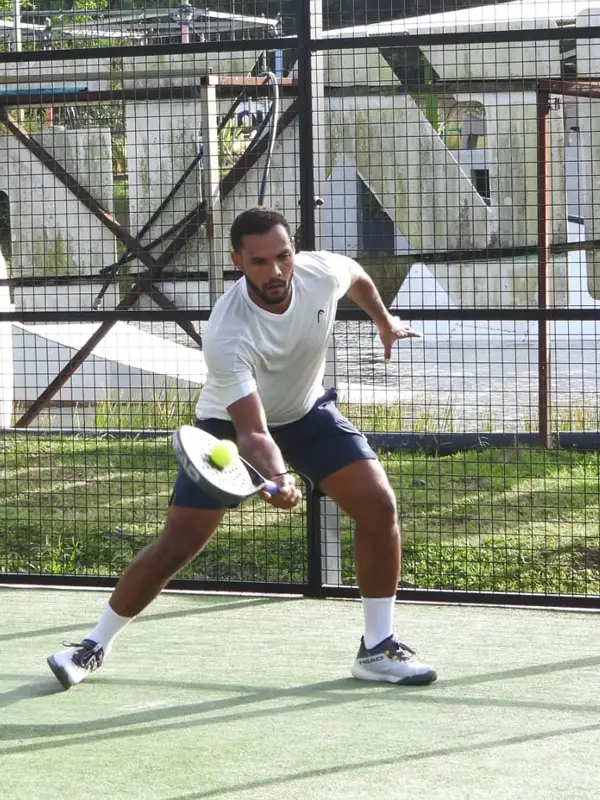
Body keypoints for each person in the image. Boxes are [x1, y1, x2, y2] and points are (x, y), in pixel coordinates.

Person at [47, 207, 437, 689]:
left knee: (379, 505)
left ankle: (378, 648)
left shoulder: (319, 273)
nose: (275, 271)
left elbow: (355, 275)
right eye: (259, 262)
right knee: (179, 543)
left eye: (283, 256)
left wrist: (384, 320)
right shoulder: (227, 330)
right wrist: (278, 477)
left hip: (305, 412)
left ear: (294, 251)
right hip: (229, 426)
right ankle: (92, 646)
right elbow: (252, 432)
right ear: (237, 261)